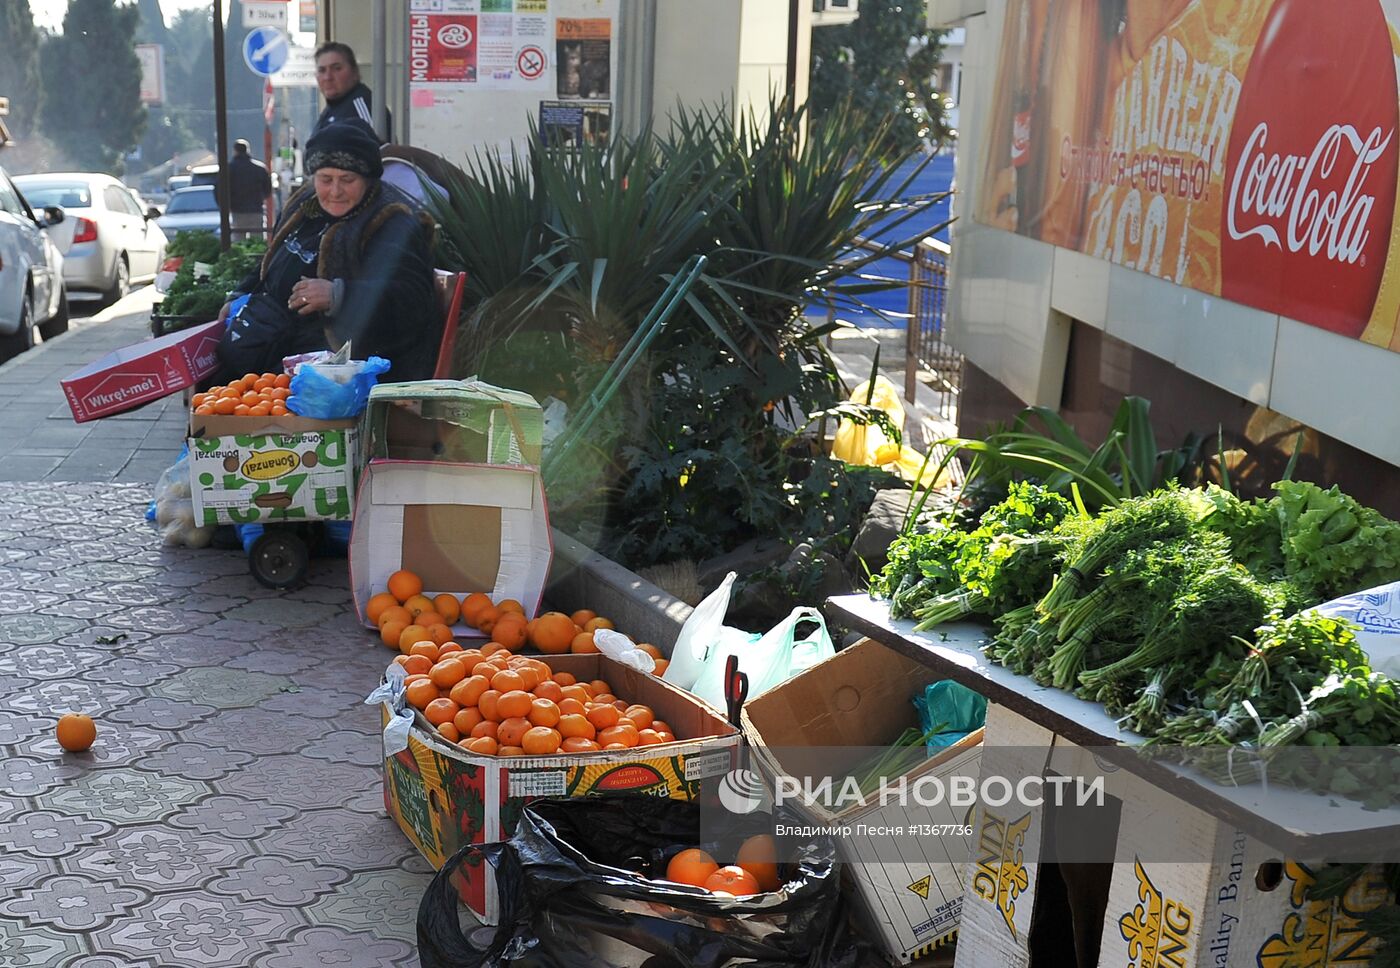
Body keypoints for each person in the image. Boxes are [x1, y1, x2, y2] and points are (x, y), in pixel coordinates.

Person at [214, 122, 440, 386]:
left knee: (238, 393)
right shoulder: (306, 205)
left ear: (368, 179)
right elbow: (274, 260)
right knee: (216, 386)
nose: (335, 191)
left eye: (347, 180)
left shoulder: (391, 223)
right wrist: (240, 294)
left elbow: (412, 300)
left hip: (343, 366)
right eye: (326, 179)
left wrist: (337, 294)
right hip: (275, 339)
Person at [312, 42, 392, 143]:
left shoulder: (362, 106)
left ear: (354, 71)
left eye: (337, 68)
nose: (328, 77)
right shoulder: (330, 110)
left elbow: (378, 152)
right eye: (322, 70)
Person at [224, 139, 273, 241]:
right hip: (256, 209)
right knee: (257, 242)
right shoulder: (260, 168)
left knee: (239, 241)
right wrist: (261, 198)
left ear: (235, 151)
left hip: (237, 210)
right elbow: (268, 189)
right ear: (248, 150)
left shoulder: (229, 169)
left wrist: (227, 206)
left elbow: (220, 189)